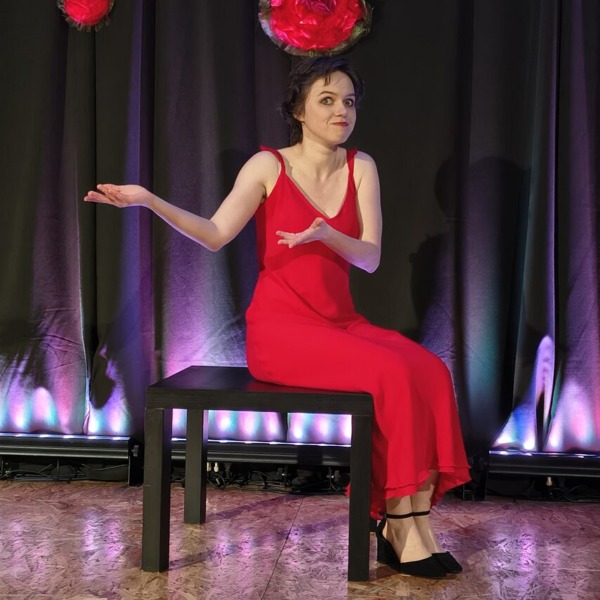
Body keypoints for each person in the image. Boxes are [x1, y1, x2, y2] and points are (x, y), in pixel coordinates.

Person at [85, 57, 471, 579]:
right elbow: (216, 234)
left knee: (431, 370)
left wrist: (328, 234)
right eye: (327, 101)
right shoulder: (268, 166)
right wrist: (150, 201)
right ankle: (399, 524)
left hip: (341, 323)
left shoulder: (361, 166)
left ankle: (411, 519)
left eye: (349, 101)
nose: (341, 111)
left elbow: (371, 257)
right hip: (281, 331)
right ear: (299, 111)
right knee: (394, 374)